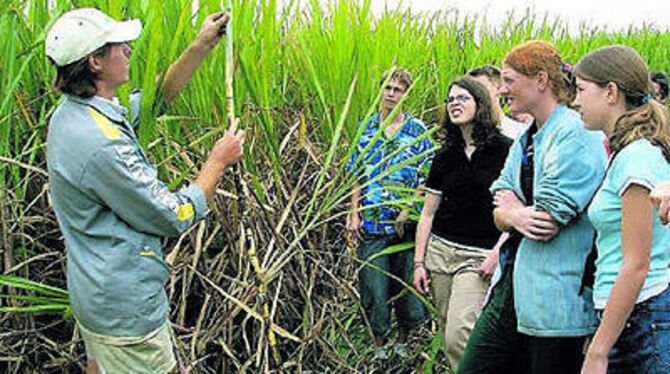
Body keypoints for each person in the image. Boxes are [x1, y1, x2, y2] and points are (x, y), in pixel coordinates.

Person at [45, 8, 242, 373]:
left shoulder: (76, 114)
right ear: (95, 62)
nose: (129, 51)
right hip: (124, 309)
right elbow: (173, 214)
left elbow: (154, 102)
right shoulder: (101, 144)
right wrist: (217, 162)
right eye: (120, 46)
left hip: (97, 293)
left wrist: (200, 47)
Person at [457, 40, 608, 374]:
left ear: (541, 80)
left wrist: (511, 211)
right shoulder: (528, 136)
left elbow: (546, 221)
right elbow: (500, 196)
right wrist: (511, 214)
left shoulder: (576, 134)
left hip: (557, 301)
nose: (501, 90)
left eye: (509, 80)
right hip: (512, 286)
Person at [572, 45, 670, 374]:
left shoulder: (636, 157)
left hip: (642, 319)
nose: (575, 101)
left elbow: (636, 265)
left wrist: (599, 350)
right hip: (629, 317)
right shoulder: (626, 153)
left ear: (611, 92)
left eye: (582, 90)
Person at [412, 77, 511, 370]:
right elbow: (428, 214)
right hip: (440, 253)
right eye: (450, 99)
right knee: (446, 331)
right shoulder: (445, 155)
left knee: (460, 335)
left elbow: (516, 207)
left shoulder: (505, 149)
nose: (454, 103)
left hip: (478, 256)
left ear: (480, 104)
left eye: (462, 98)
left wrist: (498, 251)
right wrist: (419, 262)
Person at [346, 67, 434, 360]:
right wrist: (353, 212)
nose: (392, 94)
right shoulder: (366, 129)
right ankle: (379, 344)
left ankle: (403, 339)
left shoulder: (417, 131)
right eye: (387, 88)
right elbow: (357, 173)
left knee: (406, 285)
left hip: (405, 226)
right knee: (373, 286)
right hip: (372, 224)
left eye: (398, 89)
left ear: (406, 94)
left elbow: (428, 177)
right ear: (380, 91)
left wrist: (407, 210)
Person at [468, 65, 529, 139]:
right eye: (469, 91)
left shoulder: (520, 133)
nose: (474, 95)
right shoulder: (463, 135)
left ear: (499, 90)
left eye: (480, 89)